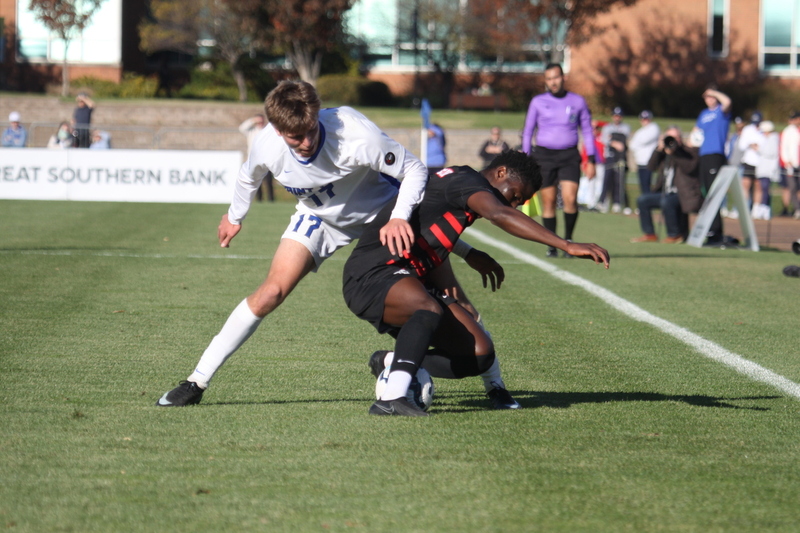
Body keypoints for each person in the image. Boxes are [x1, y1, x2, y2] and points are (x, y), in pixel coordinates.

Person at [155, 81, 488, 407]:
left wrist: (403, 217)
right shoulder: (266, 144)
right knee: (271, 292)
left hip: (382, 215)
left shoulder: (355, 133)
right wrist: (234, 216)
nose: (306, 142)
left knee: (453, 293)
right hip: (320, 219)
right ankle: (196, 381)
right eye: (295, 137)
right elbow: (248, 177)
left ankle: (496, 387)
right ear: (275, 129)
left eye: (311, 130)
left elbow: (415, 169)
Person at [342, 151, 610, 416]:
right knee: (427, 307)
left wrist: (469, 253)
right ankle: (392, 399)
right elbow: (498, 213)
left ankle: (392, 361)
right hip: (370, 275)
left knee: (479, 354)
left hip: (407, 279)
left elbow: (429, 228)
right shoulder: (466, 181)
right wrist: (566, 244)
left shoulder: (461, 186)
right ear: (501, 173)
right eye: (515, 196)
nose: (514, 205)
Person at [521, 62, 596, 258]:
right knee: (549, 202)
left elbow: (587, 130)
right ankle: (553, 244)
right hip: (544, 156)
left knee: (570, 199)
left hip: (569, 155)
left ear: (564, 78)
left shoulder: (577, 101)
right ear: (545, 81)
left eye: (556, 77)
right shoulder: (538, 101)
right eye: (549, 79)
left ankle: (569, 240)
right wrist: (526, 157)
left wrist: (592, 159)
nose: (553, 82)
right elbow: (528, 131)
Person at [630, 126, 702, 244]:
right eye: (669, 137)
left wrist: (675, 153)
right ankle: (650, 234)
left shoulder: (688, 152)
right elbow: (651, 167)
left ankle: (674, 235)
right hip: (665, 192)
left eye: (675, 137)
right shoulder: (664, 152)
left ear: (680, 138)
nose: (672, 140)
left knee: (667, 201)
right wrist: (659, 149)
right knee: (643, 200)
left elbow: (690, 168)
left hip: (683, 194)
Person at [693, 85, 732, 245]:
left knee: (714, 194)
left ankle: (716, 232)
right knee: (706, 194)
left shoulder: (721, 111)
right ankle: (709, 230)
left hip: (716, 155)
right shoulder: (704, 114)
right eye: (707, 97)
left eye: (712, 97)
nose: (709, 99)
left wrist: (713, 91)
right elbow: (696, 133)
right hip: (703, 155)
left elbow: (728, 101)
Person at [599, 107, 631, 214]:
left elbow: (623, 140)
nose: (617, 118)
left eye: (619, 116)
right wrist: (614, 142)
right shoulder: (607, 127)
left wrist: (613, 138)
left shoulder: (626, 127)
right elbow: (605, 139)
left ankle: (617, 203)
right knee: (607, 179)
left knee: (619, 180)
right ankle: (602, 201)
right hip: (610, 156)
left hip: (620, 157)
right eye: (615, 116)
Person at [239, 114, 273, 202]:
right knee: (257, 181)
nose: (260, 123)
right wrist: (253, 120)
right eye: (259, 121)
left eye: (262, 121)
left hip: (266, 160)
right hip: (254, 160)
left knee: (268, 181)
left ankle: (271, 199)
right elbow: (242, 128)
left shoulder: (267, 131)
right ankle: (259, 199)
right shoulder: (252, 131)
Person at [753, 120, 780, 220]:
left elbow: (771, 152)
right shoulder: (768, 139)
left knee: (765, 188)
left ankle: (765, 208)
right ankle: (763, 208)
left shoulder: (773, 139)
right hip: (764, 168)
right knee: (763, 188)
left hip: (768, 169)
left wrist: (758, 149)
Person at [628, 110, 660, 195]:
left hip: (648, 162)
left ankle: (648, 204)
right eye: (643, 119)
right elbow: (632, 145)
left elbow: (643, 140)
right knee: (642, 185)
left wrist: (637, 143)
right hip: (640, 161)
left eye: (646, 119)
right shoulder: (640, 131)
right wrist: (637, 143)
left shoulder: (654, 128)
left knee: (647, 184)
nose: (645, 121)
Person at [738, 111, 764, 213]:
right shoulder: (747, 130)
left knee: (759, 185)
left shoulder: (763, 130)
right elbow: (742, 145)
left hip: (761, 162)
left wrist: (759, 148)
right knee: (745, 185)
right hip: (749, 161)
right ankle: (744, 208)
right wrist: (751, 145)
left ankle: (756, 209)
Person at [779, 111, 800, 219]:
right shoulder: (788, 131)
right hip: (791, 164)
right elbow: (784, 147)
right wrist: (787, 161)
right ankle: (797, 209)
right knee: (792, 187)